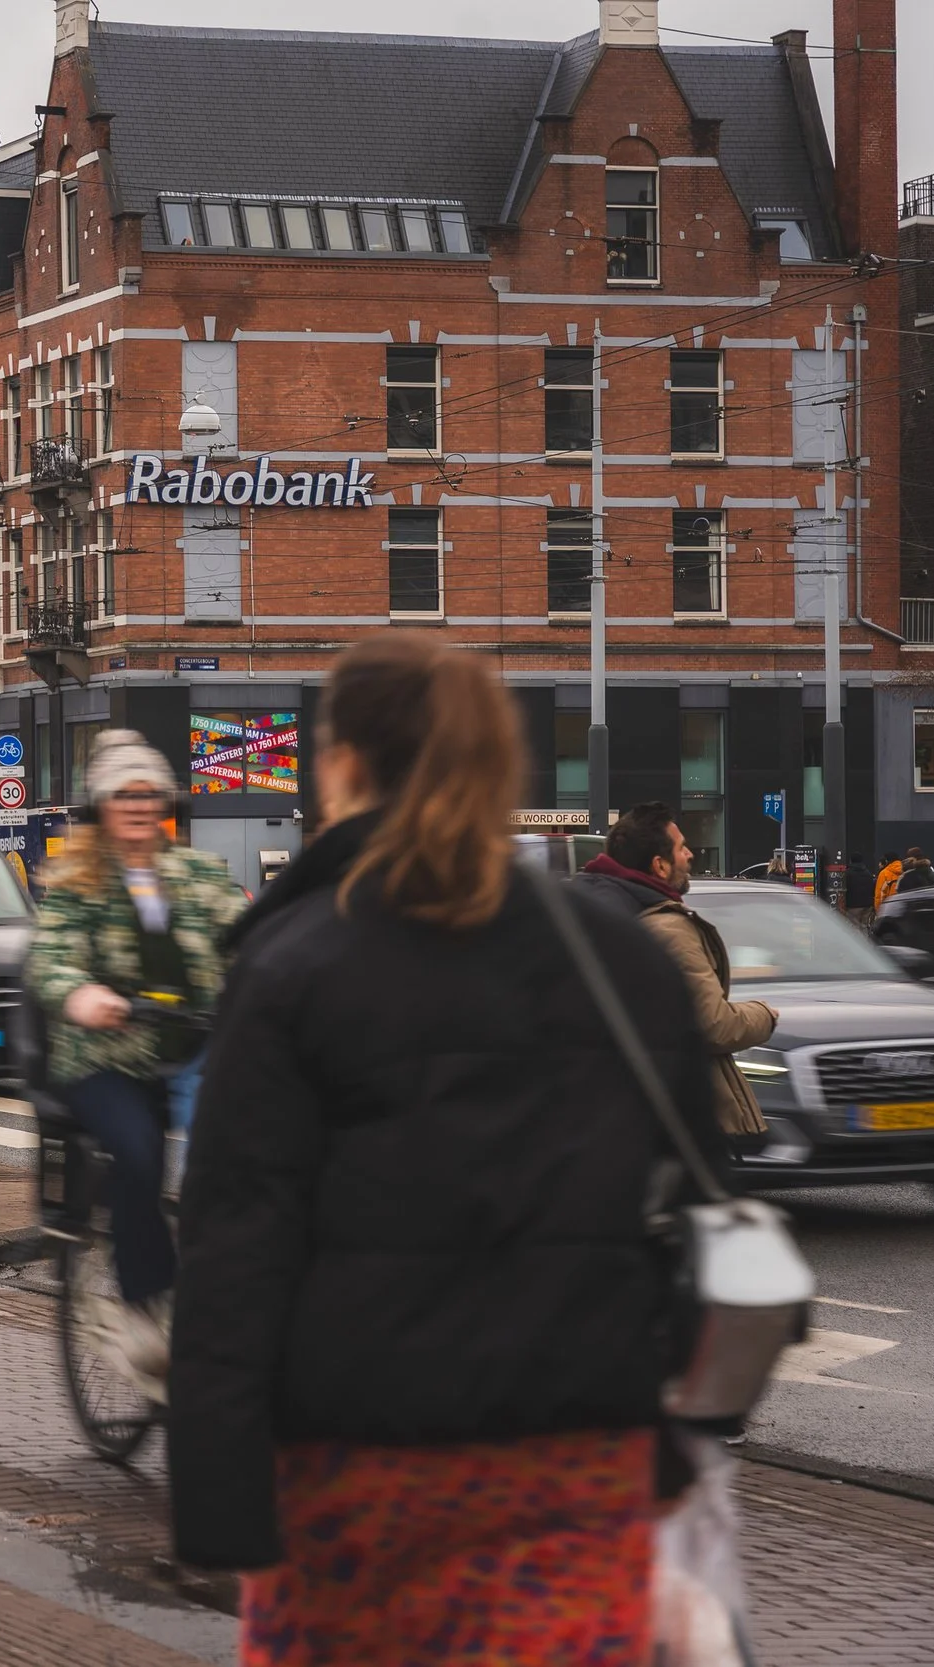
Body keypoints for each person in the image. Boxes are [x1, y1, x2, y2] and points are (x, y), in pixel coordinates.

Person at [169, 633, 722, 1665]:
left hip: (357, 1462)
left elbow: (236, 1249)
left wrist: (219, 1500)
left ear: (342, 764)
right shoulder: (619, 958)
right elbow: (693, 1208)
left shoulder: (293, 962)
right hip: (578, 1451)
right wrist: (667, 1419)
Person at [25, 730, 244, 1397]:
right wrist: (83, 994)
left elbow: (243, 931)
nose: (141, 805)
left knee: (234, 1158)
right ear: (102, 805)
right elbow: (51, 957)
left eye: (151, 793)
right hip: (105, 1057)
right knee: (138, 1152)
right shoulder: (77, 882)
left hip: (191, 1050)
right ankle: (142, 1306)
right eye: (127, 794)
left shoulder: (197, 875)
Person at [577, 802, 779, 1146]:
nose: (690, 855)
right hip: (675, 1118)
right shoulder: (668, 927)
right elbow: (714, 1025)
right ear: (659, 865)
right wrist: (765, 1015)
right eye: (682, 847)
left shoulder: (594, 910)